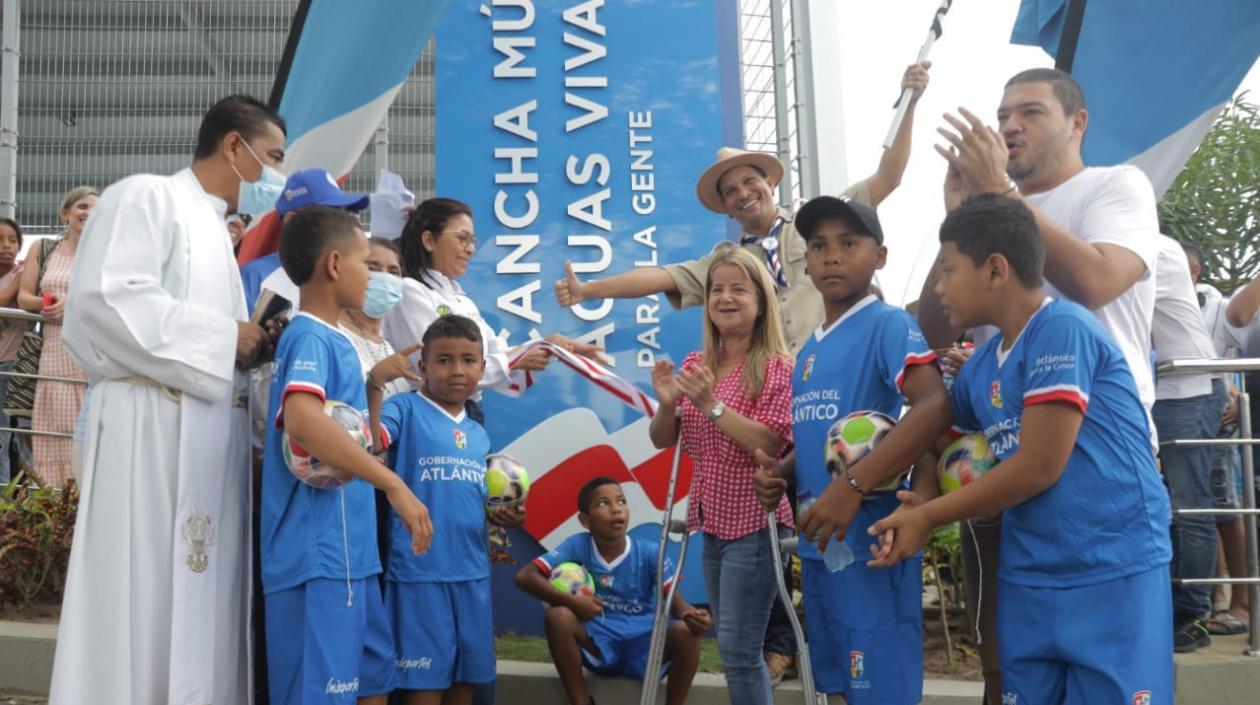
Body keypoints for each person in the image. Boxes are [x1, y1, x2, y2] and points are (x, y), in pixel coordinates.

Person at [871, 194, 1173, 705]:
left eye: (948, 270)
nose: (939, 288)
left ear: (995, 270)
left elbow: (1038, 467)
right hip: (1030, 573)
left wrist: (929, 518)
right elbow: (938, 432)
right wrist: (919, 494)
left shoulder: (1064, 328)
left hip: (1111, 567)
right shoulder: (985, 362)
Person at [49, 95, 280, 705]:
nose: (275, 175)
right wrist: (226, 337)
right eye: (273, 157)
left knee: (200, 595)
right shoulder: (146, 196)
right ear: (235, 146)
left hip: (204, 432)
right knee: (141, 591)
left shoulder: (213, 229)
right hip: (148, 431)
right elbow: (103, 301)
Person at [557, 62, 932, 358]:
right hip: (781, 395)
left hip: (845, 366)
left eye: (750, 182)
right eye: (731, 191)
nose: (743, 193)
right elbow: (660, 277)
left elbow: (889, 176)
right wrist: (588, 290)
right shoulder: (729, 265)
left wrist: (910, 101)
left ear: (770, 184)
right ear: (726, 209)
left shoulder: (821, 222)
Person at [750, 196, 947, 705]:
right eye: (818, 246)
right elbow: (825, 439)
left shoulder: (886, 325)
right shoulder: (810, 348)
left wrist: (854, 486)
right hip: (822, 547)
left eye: (848, 243)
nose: (831, 256)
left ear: (879, 256)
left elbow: (931, 407)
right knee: (835, 686)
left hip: (872, 543)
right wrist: (784, 472)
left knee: (879, 687)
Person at [261, 206, 432, 705]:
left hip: (353, 555)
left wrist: (374, 388)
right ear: (334, 264)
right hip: (316, 556)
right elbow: (304, 420)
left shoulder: (334, 339)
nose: (376, 277)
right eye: (367, 263)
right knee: (321, 691)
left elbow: (354, 436)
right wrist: (393, 484)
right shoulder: (309, 334)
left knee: (369, 683)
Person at [647, 244, 793, 705]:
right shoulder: (697, 364)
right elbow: (663, 440)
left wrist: (712, 405)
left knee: (738, 648)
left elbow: (770, 443)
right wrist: (668, 403)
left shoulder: (775, 368)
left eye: (738, 289)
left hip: (756, 518)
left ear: (761, 302)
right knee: (733, 649)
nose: (725, 298)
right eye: (717, 290)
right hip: (711, 519)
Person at [366, 314, 524, 705]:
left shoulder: (478, 433)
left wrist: (498, 513)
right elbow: (371, 445)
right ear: (423, 367)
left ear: (483, 369)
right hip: (420, 574)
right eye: (444, 360)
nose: (457, 371)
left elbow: (471, 497)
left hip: (472, 573)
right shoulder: (403, 408)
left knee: (464, 684)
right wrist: (374, 384)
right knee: (425, 687)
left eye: (469, 361)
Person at [382, 197, 597, 418]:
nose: (471, 249)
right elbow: (433, 368)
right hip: (429, 415)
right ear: (429, 240)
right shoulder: (410, 292)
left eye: (473, 241)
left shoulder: (461, 300)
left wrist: (551, 346)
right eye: (462, 239)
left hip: (465, 415)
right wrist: (516, 359)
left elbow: (497, 353)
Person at [514, 476, 711, 705]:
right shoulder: (578, 545)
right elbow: (525, 576)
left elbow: (677, 606)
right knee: (558, 616)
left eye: (621, 501)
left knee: (687, 633)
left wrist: (694, 616)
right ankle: (581, 702)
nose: (616, 509)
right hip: (599, 644)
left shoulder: (650, 552)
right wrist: (572, 602)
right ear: (585, 520)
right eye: (603, 504)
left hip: (644, 648)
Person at [1151, 234, 1222, 651]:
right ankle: (1177, 606)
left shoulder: (1157, 248)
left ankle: (1194, 614)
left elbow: (1105, 293)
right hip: (1164, 390)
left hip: (1189, 389)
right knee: (1170, 508)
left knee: (1191, 507)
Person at [16, 186, 97, 487]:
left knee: (86, 431)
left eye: (95, 209)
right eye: (82, 207)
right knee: (54, 430)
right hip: (54, 352)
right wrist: (48, 304)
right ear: (66, 213)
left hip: (91, 352)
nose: (88, 214)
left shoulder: (107, 255)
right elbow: (25, 297)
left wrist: (74, 307)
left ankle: (83, 506)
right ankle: (56, 507)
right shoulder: (43, 248)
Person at [240, 168, 369, 315]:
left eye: (345, 213)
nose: (342, 223)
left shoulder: (350, 277)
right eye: (330, 214)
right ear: (291, 220)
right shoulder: (253, 277)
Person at [340, 237, 409, 398]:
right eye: (373, 268)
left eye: (393, 272)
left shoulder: (386, 346)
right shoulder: (335, 336)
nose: (384, 278)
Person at [0, 217, 31, 484]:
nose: (6, 246)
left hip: (11, 366)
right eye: (0, 240)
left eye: (12, 240)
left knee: (6, 434)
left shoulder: (24, 272)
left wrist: (20, 276)